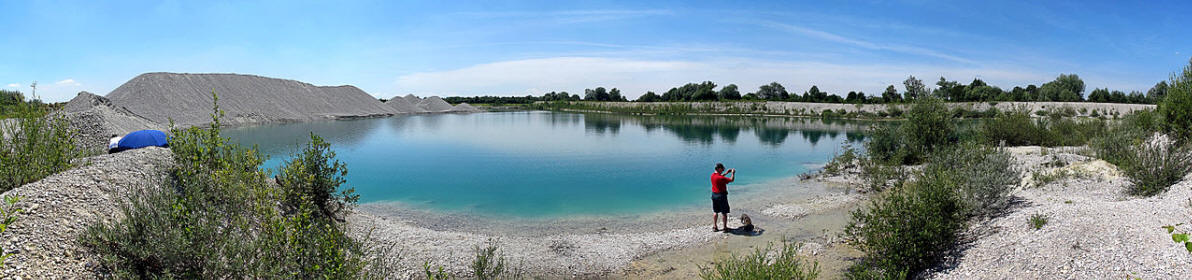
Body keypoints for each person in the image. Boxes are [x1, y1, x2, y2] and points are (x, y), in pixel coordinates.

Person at [710, 163, 735, 232]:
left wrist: (726, 173)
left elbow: (720, 176)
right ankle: (725, 228)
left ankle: (715, 226)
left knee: (715, 212)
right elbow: (731, 180)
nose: (723, 170)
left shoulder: (712, 175)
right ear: (718, 169)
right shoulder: (721, 178)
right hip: (721, 196)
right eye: (722, 169)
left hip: (714, 195)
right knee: (724, 213)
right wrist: (733, 173)